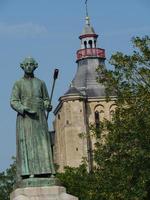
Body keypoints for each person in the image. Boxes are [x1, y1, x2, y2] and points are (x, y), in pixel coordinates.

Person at [10, 57, 55, 181]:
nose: (29, 66)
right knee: (28, 145)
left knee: (43, 144)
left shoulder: (41, 83)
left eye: (31, 64)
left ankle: (47, 171)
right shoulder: (18, 83)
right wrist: (24, 109)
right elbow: (13, 101)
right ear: (22, 66)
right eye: (26, 64)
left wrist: (47, 105)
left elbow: (46, 99)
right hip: (25, 118)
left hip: (39, 117)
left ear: (35, 66)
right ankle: (29, 172)